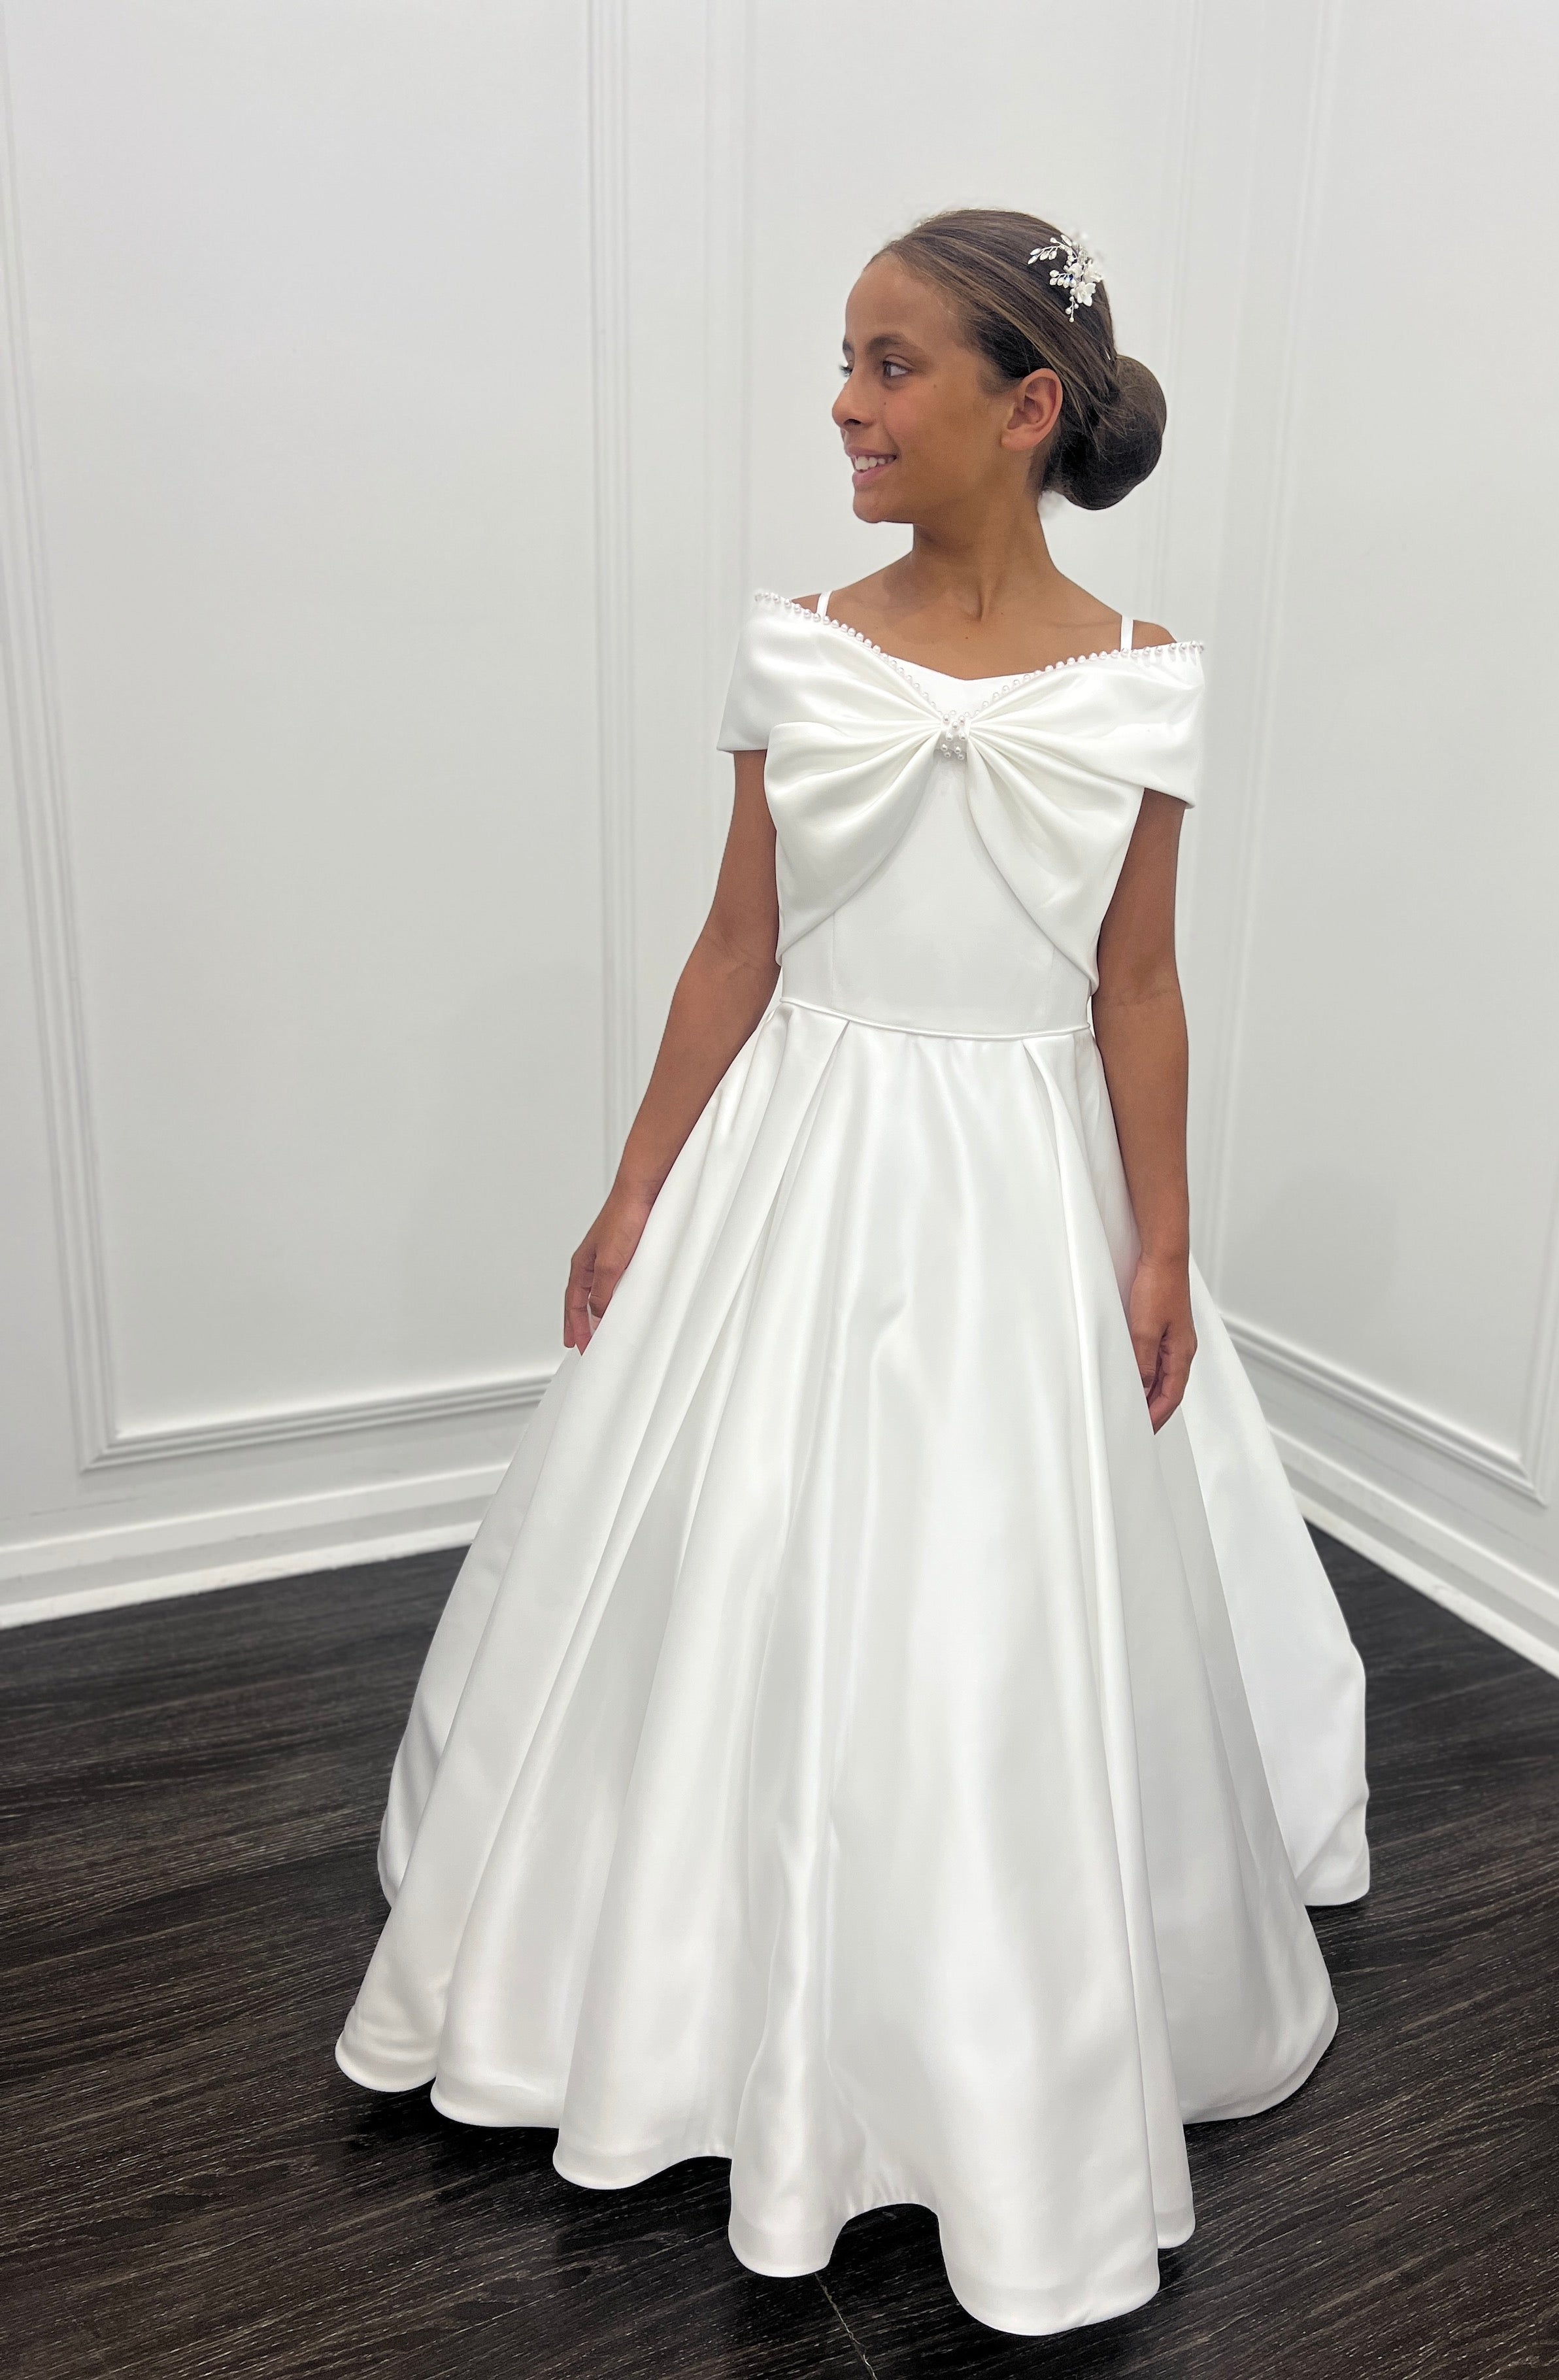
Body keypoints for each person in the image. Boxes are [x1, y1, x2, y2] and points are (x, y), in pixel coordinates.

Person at [335, 205, 1369, 2338]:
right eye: (843, 359)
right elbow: (738, 946)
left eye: (890, 366)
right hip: (795, 1164)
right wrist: (636, 1190)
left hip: (1014, 1185)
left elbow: (1137, 985)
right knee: (740, 1557)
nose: (842, 404)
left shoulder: (1145, 679)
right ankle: (669, 1979)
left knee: (1000, 1602)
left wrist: (1165, 1240)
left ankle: (984, 2028)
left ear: (1026, 405)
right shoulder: (798, 646)